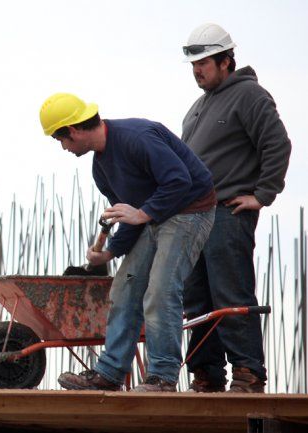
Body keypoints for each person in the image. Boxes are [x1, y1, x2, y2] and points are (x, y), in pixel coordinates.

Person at [40, 93, 216, 392]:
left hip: (189, 212)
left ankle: (162, 376)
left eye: (62, 139)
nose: (63, 148)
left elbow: (179, 180)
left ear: (73, 130)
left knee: (160, 290)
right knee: (126, 286)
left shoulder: (137, 137)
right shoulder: (101, 168)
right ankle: (109, 374)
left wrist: (143, 213)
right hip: (156, 218)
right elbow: (129, 216)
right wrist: (109, 252)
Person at [180, 23, 291, 393]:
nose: (198, 69)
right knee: (196, 296)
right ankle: (206, 373)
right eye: (193, 63)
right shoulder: (197, 108)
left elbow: (277, 144)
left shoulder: (249, 95)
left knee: (231, 292)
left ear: (226, 60)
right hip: (194, 216)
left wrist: (262, 194)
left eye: (205, 62)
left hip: (228, 212)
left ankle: (247, 372)